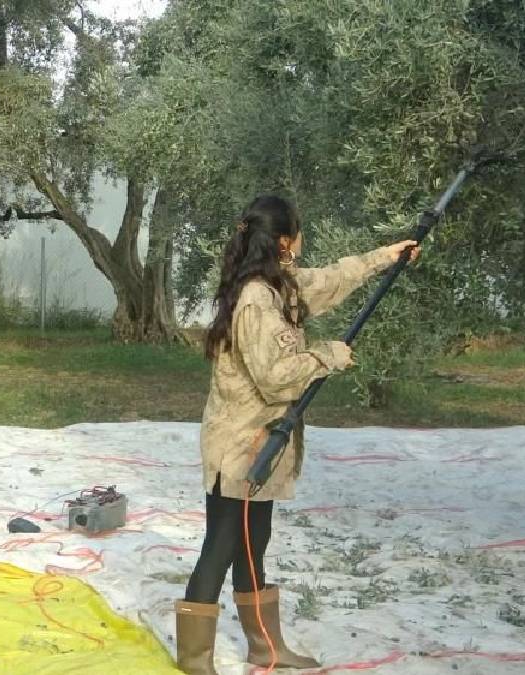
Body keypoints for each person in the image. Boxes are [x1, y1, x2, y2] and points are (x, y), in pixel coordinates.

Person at [174, 195, 419, 674]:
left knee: (252, 543)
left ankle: (266, 647)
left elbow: (326, 281)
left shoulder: (276, 285)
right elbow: (275, 375)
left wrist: (383, 258)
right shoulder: (256, 300)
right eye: (299, 231)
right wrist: (327, 355)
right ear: (285, 240)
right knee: (222, 546)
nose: (302, 239)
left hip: (259, 445)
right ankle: (194, 660)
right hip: (241, 449)